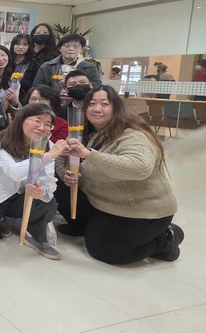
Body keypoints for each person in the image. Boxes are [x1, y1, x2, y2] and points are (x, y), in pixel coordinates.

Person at [54, 86, 182, 263]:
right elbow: (61, 158)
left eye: (104, 103)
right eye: (92, 103)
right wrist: (65, 173)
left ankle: (167, 237)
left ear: (116, 107)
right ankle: (83, 227)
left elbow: (140, 167)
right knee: (58, 184)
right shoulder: (85, 132)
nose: (97, 108)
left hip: (141, 210)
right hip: (107, 203)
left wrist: (89, 155)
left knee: (105, 251)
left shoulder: (133, 136)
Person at [0, 103, 68, 259]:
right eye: (37, 121)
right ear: (22, 119)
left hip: (21, 197)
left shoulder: (48, 146)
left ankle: (37, 236)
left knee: (49, 201)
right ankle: (1, 222)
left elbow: (49, 179)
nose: (42, 127)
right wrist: (49, 156)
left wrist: (43, 190)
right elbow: (15, 172)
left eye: (47, 124)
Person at [34, 33, 101, 88]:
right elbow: (36, 87)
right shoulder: (46, 67)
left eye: (76, 46)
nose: (71, 49)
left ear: (81, 49)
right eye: (67, 46)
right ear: (60, 48)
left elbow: (97, 86)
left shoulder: (90, 67)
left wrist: (79, 83)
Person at [20, 23, 59, 90]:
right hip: (23, 88)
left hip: (46, 88)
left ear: (50, 35)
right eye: (38, 33)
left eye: (45, 33)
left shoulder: (55, 52)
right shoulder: (26, 50)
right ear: (32, 35)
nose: (41, 35)